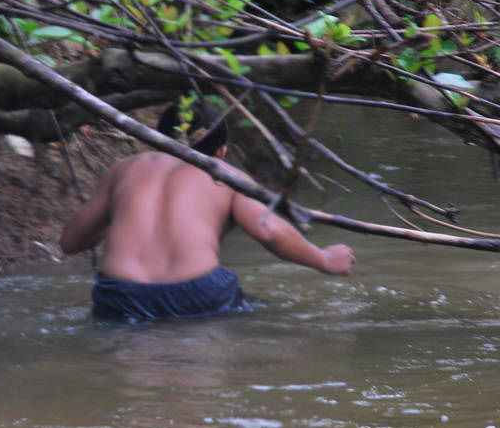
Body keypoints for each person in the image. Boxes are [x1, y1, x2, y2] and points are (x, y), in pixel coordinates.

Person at [59, 102, 356, 320]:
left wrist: (118, 215)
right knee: (260, 315)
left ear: (153, 139)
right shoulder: (225, 173)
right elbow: (268, 228)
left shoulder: (124, 169)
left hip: (120, 295)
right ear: (221, 151)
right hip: (197, 293)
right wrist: (324, 259)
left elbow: (71, 242)